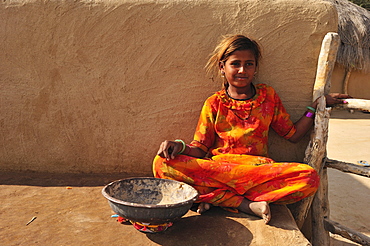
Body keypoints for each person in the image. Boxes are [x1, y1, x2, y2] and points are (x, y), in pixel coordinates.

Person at [153, 34, 350, 224]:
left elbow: (293, 134)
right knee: (162, 163)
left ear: (255, 68)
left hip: (257, 171)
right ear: (222, 67)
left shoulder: (268, 96)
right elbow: (199, 148)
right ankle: (245, 205)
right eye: (235, 63)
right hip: (220, 169)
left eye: (249, 64)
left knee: (308, 178)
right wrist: (178, 146)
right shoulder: (214, 103)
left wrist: (314, 108)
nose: (242, 70)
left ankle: (215, 198)